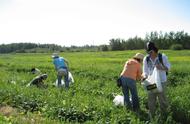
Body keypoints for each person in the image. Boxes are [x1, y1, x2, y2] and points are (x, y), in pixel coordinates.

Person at [142, 41, 171, 118]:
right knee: (151, 100)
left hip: (162, 82)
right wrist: (144, 76)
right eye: (148, 52)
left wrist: (161, 67)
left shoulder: (162, 56)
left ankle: (164, 116)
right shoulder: (146, 59)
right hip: (150, 83)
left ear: (155, 50)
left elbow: (168, 68)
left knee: (162, 100)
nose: (149, 54)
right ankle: (152, 116)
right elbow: (145, 71)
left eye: (151, 52)